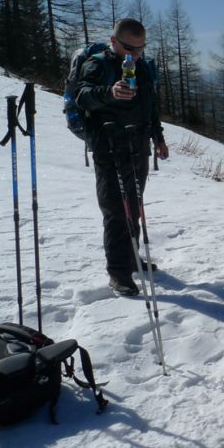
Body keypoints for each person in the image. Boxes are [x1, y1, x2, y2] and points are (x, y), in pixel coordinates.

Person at [75, 18, 169, 297]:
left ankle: (131, 258)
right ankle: (118, 274)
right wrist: (110, 92)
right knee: (116, 211)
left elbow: (150, 105)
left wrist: (159, 137)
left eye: (140, 48)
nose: (136, 54)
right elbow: (82, 96)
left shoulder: (141, 67)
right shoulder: (97, 65)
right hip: (108, 147)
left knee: (134, 204)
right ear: (113, 41)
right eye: (129, 47)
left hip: (138, 145)